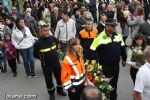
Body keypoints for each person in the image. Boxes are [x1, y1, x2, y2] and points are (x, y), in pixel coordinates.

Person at [90, 18, 127, 100]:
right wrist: (95, 66)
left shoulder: (118, 35)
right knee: (104, 86)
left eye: (115, 26)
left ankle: (113, 98)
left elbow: (123, 48)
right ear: (106, 26)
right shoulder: (99, 37)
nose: (114, 28)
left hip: (115, 67)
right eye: (112, 26)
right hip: (104, 68)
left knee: (114, 85)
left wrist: (124, 59)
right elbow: (92, 51)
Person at [33, 25, 66, 100]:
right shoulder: (38, 43)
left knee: (59, 77)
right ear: (41, 31)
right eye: (45, 30)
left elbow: (57, 46)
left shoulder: (53, 38)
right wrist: (42, 59)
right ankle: (51, 93)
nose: (47, 32)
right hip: (46, 65)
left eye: (48, 30)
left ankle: (60, 90)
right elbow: (35, 54)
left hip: (56, 63)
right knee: (49, 80)